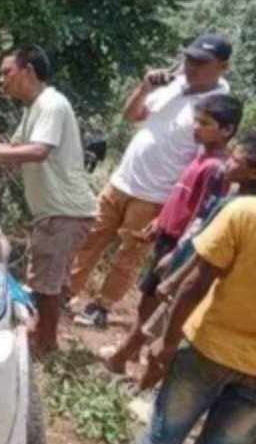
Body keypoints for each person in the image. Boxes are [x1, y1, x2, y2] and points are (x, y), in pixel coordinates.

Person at [89, 193, 256, 444]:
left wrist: (165, 344)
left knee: (161, 439)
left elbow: (196, 284)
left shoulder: (244, 213)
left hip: (205, 349)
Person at [71, 33, 232, 329]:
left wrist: (171, 209)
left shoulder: (216, 108)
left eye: (200, 62)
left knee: (128, 255)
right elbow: (133, 114)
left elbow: (201, 164)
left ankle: (101, 307)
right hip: (122, 180)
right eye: (189, 59)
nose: (191, 66)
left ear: (223, 67)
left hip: (155, 195)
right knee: (89, 238)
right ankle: (65, 293)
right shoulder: (173, 85)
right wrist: (145, 87)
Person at [103, 94, 243, 374]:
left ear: (226, 130)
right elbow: (182, 198)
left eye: (205, 123)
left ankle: (122, 356)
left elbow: (203, 217)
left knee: (156, 304)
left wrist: (179, 251)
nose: (196, 127)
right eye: (196, 120)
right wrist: (159, 222)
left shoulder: (216, 168)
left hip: (180, 247)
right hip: (168, 239)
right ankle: (132, 352)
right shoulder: (200, 158)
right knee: (147, 300)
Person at [0, 46, 97, 357]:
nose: (1, 80)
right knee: (51, 281)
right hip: (59, 211)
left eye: (7, 72)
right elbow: (17, 148)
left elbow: (37, 151)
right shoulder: (33, 108)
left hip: (63, 212)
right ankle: (46, 338)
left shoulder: (51, 105)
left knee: (44, 284)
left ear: (28, 71)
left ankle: (44, 345)